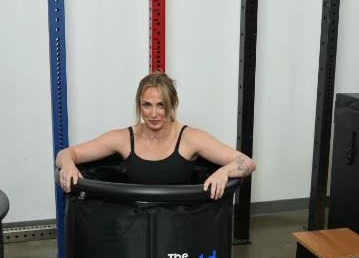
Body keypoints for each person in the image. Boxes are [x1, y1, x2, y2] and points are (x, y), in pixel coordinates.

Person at [55, 71, 256, 199]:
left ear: (172, 105)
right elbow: (65, 154)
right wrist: (69, 165)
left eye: (161, 105)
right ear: (139, 106)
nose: (153, 114)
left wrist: (224, 172)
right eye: (146, 105)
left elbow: (247, 163)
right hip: (136, 227)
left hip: (180, 229)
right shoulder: (124, 138)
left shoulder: (190, 138)